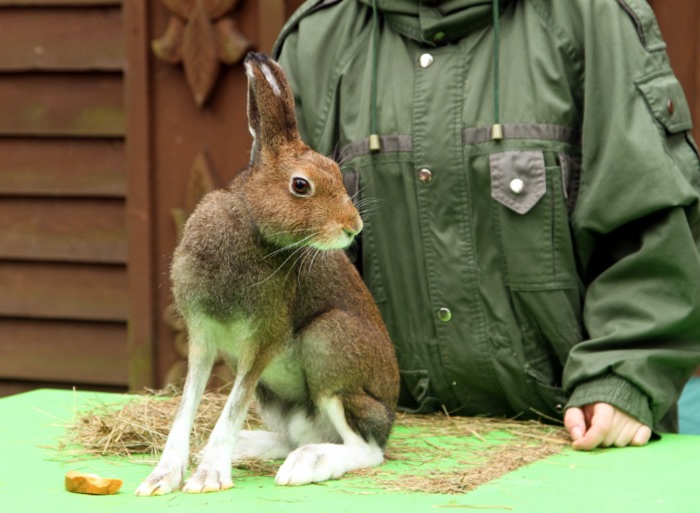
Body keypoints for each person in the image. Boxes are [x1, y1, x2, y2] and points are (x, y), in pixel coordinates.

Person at [272, 0, 700, 450]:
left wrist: (622, 379)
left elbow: (651, 225)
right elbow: (287, 267)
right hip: (384, 454)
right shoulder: (318, 41)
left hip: (581, 442)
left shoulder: (589, 18)